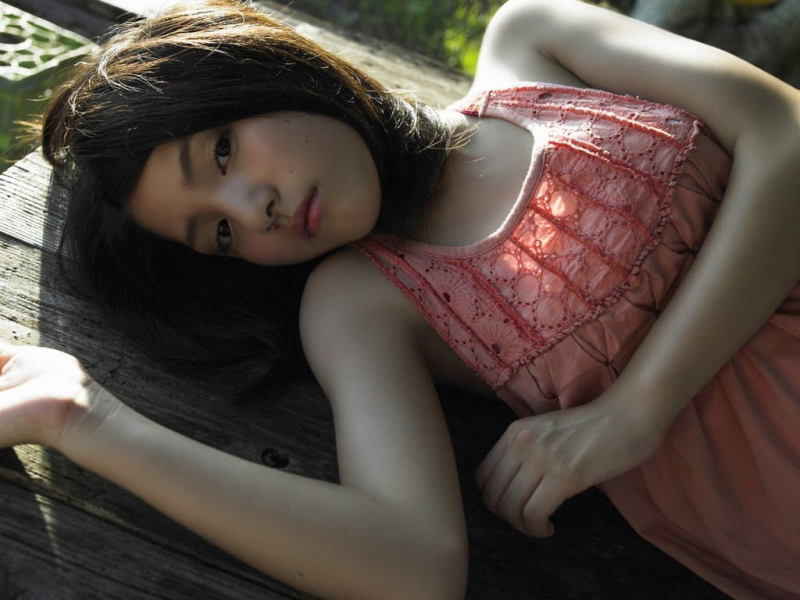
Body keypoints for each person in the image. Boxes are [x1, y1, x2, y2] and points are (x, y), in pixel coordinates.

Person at [2, 0, 798, 598]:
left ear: (266, 75)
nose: (253, 210)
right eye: (218, 234)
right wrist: (86, 421)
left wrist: (634, 409)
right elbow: (412, 564)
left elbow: (786, 133)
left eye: (219, 152)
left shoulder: (534, 39)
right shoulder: (362, 303)